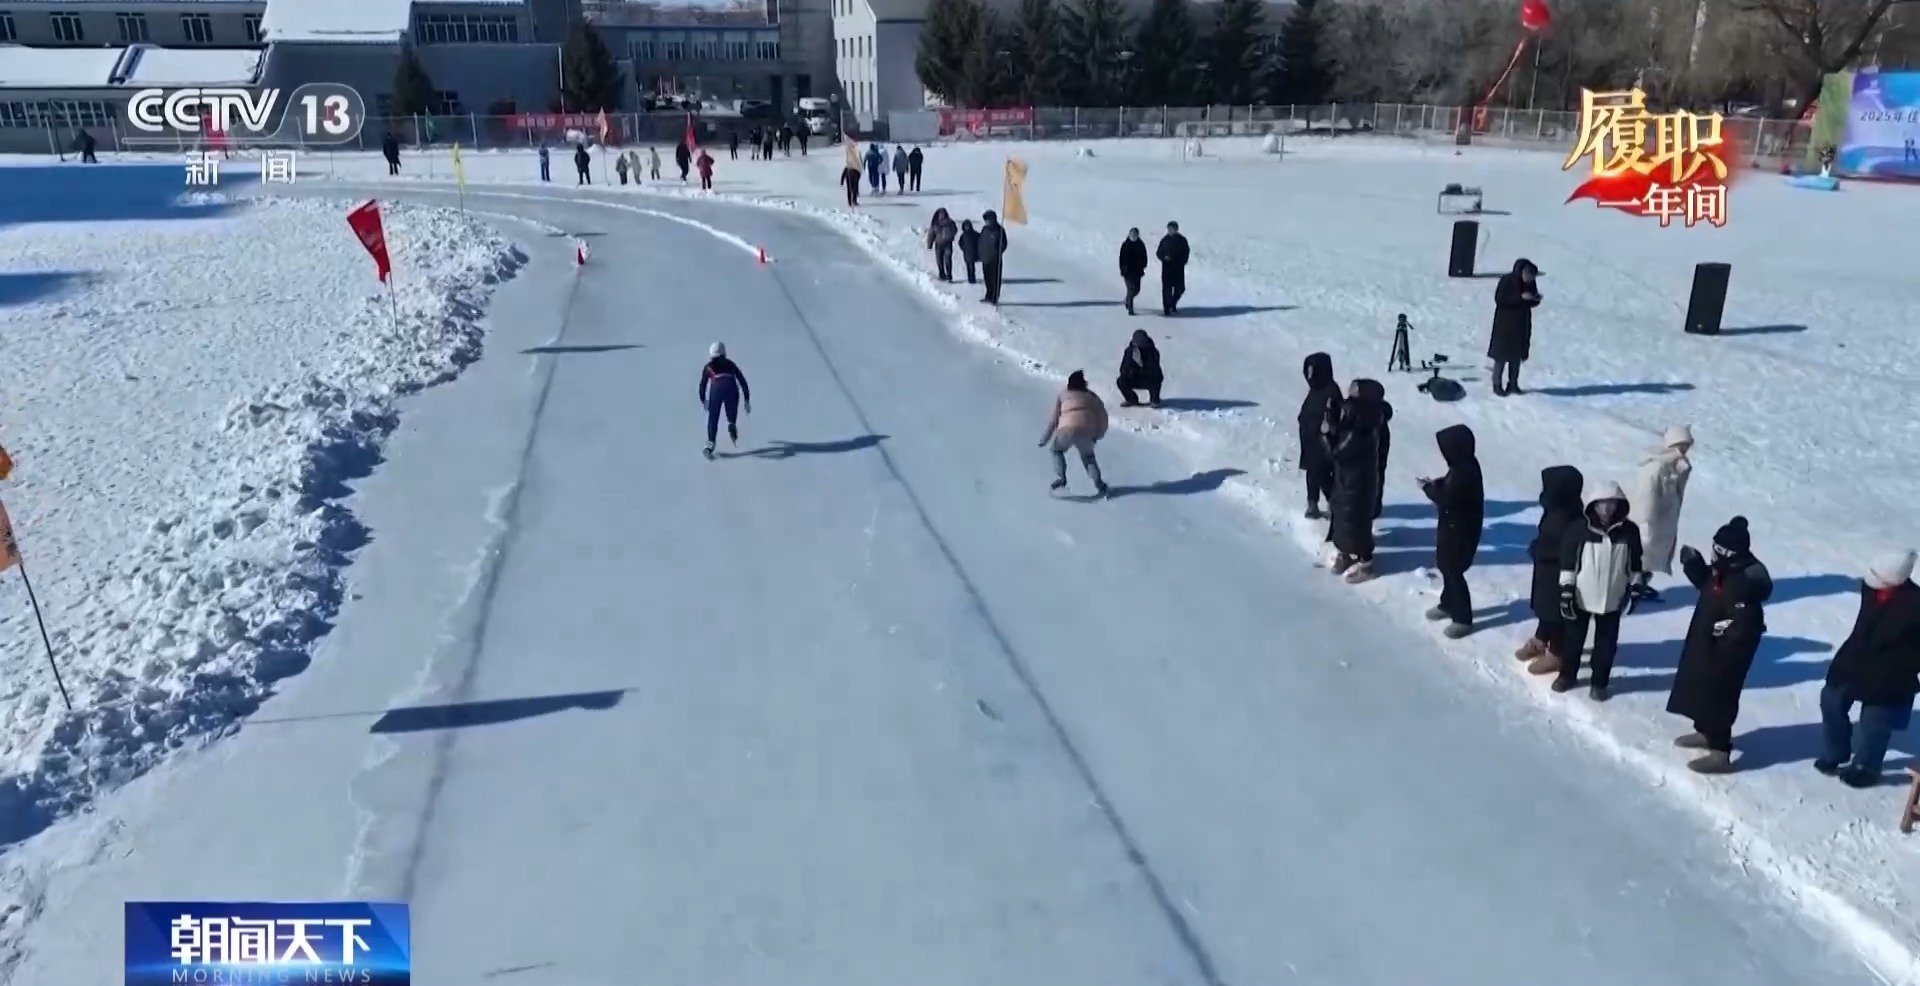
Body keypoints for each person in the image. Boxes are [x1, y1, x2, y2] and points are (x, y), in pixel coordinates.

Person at [1666, 517, 1773, 773]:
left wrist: (1722, 633)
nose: (1716, 555)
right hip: (1707, 644)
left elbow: (1746, 622)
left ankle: (1720, 751)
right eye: (1716, 548)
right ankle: (1706, 732)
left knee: (1720, 697)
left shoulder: (1744, 581)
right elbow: (1710, 587)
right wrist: (1693, 565)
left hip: (1728, 653)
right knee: (1702, 690)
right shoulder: (1727, 570)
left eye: (1721, 550)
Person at [1818, 549, 1920, 788]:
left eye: (1877, 576)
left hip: (1890, 674)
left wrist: (1904, 667)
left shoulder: (1916, 606)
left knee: (1874, 722)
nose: (1870, 578)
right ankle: (1836, 752)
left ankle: (1867, 767)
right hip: (1855, 660)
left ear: (1894, 581)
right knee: (1831, 699)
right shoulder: (1871, 588)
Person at [1554, 481, 1645, 700]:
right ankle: (1567, 675)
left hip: (1612, 598)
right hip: (1581, 596)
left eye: (1612, 503)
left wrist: (1635, 587)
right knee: (1573, 639)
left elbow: (1635, 562)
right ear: (1593, 505)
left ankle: (1599, 683)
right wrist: (1566, 590)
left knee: (1606, 645)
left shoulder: (1630, 531)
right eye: (1601, 503)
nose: (1606, 509)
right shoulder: (1578, 529)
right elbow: (1567, 563)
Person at [1519, 465, 1586, 673]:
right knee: (1544, 610)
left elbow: (1565, 548)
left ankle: (1556, 653)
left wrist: (1540, 549)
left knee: (1556, 615)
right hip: (1545, 572)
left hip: (1558, 575)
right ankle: (1541, 638)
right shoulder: (1556, 509)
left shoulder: (1569, 517)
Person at [1419, 424, 1484, 638]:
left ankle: (1463, 618)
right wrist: (1437, 483)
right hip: (1452, 528)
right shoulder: (1462, 466)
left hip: (1461, 532)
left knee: (1454, 570)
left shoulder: (1465, 472)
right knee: (1446, 565)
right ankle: (1448, 603)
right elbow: (1449, 487)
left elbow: (1447, 497)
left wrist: (1428, 489)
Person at [1324, 388, 1383, 582]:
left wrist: (1326, 435)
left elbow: (1337, 453)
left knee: (1356, 523)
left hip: (1357, 485)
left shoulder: (1360, 433)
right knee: (1343, 518)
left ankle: (1366, 564)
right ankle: (1345, 553)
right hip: (1347, 481)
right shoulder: (1357, 427)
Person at [1632, 424, 1694, 600]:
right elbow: (1646, 496)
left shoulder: (1677, 465)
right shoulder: (1657, 467)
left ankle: (1641, 584)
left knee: (1655, 556)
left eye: (1687, 445)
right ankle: (1633, 587)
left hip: (1664, 521)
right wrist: (1646, 523)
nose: (1684, 449)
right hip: (1651, 521)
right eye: (1680, 445)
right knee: (1644, 554)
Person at [1039, 371, 1110, 497]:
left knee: (1056, 450)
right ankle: (1100, 485)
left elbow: (1054, 419)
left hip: (1066, 428)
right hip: (1088, 431)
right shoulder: (1092, 397)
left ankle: (1061, 478)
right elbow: (1103, 417)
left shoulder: (1063, 395)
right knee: (1088, 458)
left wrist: (1045, 439)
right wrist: (1098, 434)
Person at [1487, 257, 1541, 396]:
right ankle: (1497, 385)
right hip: (1505, 323)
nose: (1530, 280)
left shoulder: (1530, 282)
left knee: (1516, 356)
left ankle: (1513, 384)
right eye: (1529, 277)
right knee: (1501, 356)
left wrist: (1534, 299)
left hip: (1521, 323)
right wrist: (1520, 297)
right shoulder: (1507, 280)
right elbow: (1500, 299)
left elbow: (1531, 300)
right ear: (1524, 272)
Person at [1297, 353, 1341, 518]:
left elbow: (1334, 416)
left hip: (1324, 441)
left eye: (1312, 371)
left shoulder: (1331, 390)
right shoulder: (1315, 390)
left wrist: (1325, 429)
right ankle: (1312, 502)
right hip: (1309, 440)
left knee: (1323, 473)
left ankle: (1333, 502)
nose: (1309, 376)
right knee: (1312, 471)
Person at [698, 342, 751, 458]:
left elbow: (703, 385)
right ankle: (732, 422)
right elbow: (742, 381)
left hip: (716, 389)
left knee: (713, 417)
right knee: (731, 410)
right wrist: (747, 399)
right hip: (731, 388)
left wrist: (703, 399)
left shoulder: (708, 367)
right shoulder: (730, 364)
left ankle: (710, 443)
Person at [1353, 378, 1392, 521]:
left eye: (1356, 390)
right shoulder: (1367, 413)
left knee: (1375, 478)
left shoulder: (1375, 419)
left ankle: (1373, 507)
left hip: (1373, 460)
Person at [1116, 329, 1162, 406]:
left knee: (1156, 380)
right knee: (1121, 381)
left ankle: (1155, 400)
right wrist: (1130, 370)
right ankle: (1131, 399)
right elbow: (1123, 368)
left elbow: (1154, 369)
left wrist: (1143, 361)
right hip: (1135, 376)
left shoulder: (1153, 352)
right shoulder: (1130, 351)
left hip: (1150, 378)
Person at [1156, 220, 1190, 316]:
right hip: (1167, 269)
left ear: (1176, 229)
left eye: (1173, 229)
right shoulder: (1164, 240)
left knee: (1180, 288)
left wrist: (1183, 261)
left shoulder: (1182, 240)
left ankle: (1172, 303)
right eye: (1169, 229)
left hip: (1178, 268)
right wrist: (1164, 258)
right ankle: (1167, 308)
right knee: (1167, 289)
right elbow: (1159, 253)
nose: (1171, 230)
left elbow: (1186, 251)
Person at [977, 210, 1008, 304]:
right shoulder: (984, 229)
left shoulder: (999, 230)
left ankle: (995, 298)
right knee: (987, 278)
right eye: (985, 220)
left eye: (988, 220)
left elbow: (1004, 244)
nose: (987, 222)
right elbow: (981, 241)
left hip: (995, 259)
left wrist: (999, 250)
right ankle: (988, 295)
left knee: (995, 279)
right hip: (985, 258)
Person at [1119, 228, 1148, 316]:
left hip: (1137, 271)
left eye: (1135, 234)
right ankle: (1130, 309)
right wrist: (1123, 268)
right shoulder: (1125, 244)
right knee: (1130, 289)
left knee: (1137, 289)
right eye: (1132, 234)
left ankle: (1128, 299)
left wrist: (1143, 265)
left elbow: (1144, 256)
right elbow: (1121, 258)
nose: (1133, 236)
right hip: (1127, 272)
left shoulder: (1141, 244)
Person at [926, 208, 958, 281]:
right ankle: (942, 275)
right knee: (939, 260)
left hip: (948, 243)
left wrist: (951, 236)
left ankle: (949, 275)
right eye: (940, 214)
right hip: (939, 244)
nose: (942, 215)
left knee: (948, 260)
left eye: (943, 213)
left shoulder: (950, 222)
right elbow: (931, 234)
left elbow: (955, 230)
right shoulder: (935, 223)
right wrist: (929, 244)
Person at [958, 219, 980, 283]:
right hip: (966, 253)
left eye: (968, 226)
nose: (967, 227)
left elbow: (979, 240)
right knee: (968, 265)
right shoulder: (963, 235)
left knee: (971, 266)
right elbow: (960, 243)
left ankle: (972, 278)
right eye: (966, 226)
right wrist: (964, 249)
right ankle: (969, 277)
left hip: (973, 252)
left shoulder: (974, 234)